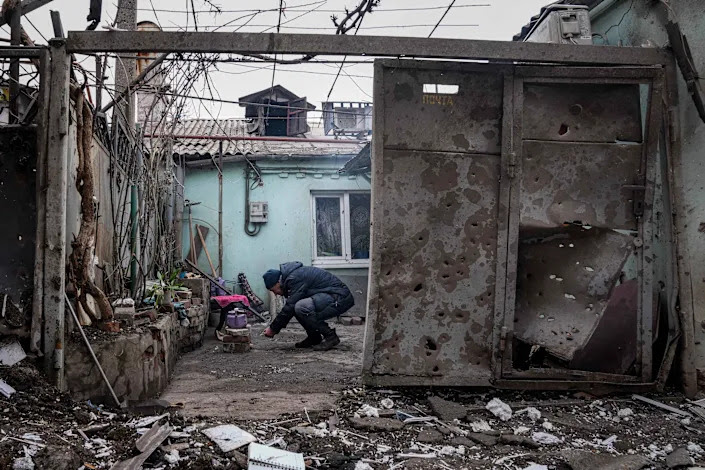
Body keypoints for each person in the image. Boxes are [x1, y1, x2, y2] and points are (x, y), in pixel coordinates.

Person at [262, 261, 354, 351]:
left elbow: (289, 307)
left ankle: (330, 336)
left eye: (273, 290)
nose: (276, 294)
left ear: (277, 283)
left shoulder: (295, 278)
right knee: (298, 307)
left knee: (301, 307)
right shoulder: (293, 276)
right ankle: (314, 337)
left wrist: (273, 329)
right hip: (332, 296)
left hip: (339, 297)